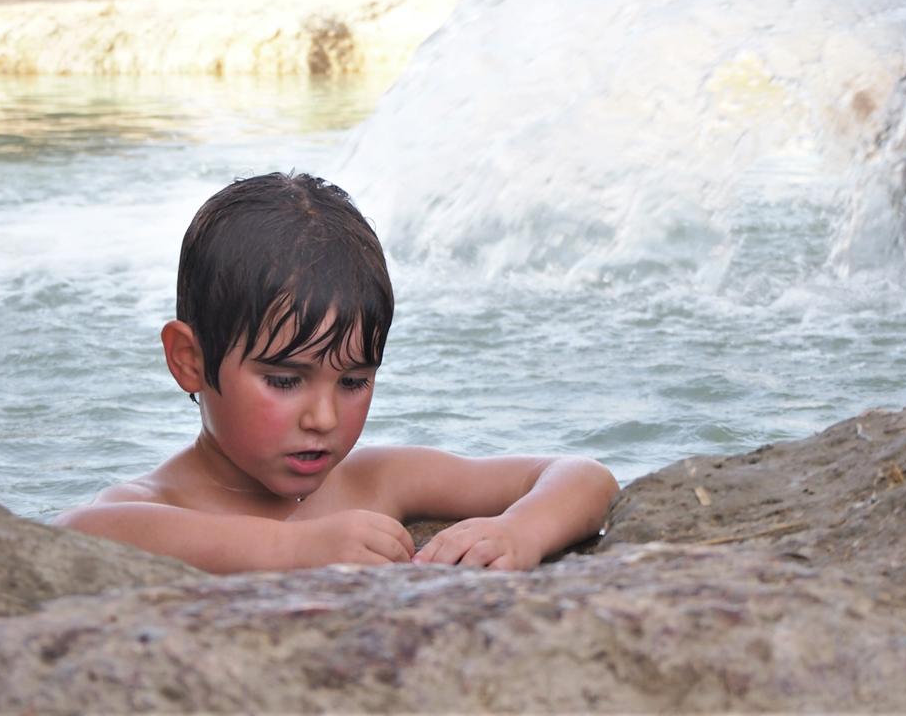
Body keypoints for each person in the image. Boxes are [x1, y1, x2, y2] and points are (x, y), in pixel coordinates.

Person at [54, 172, 619, 573]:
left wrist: (519, 532)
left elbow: (581, 475)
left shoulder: (375, 481)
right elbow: (78, 533)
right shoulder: (155, 505)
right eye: (284, 380)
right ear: (189, 361)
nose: (323, 418)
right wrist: (292, 549)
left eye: (353, 382)